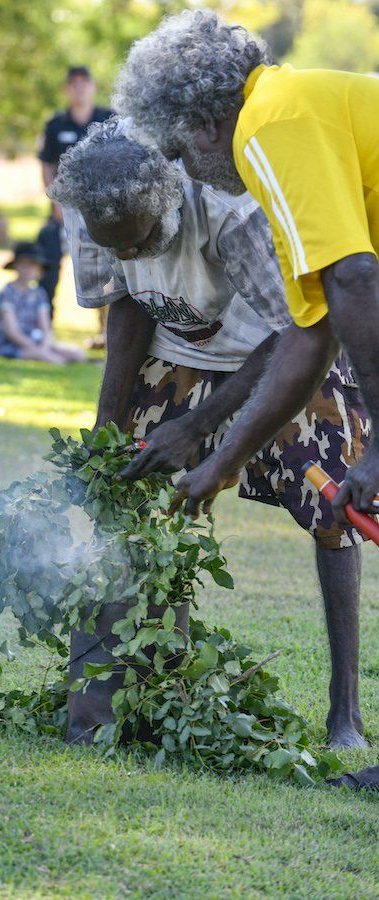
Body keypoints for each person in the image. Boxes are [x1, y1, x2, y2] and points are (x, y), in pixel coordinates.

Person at [114, 9, 379, 790]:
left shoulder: (271, 123)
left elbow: (358, 280)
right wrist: (220, 464)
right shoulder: (283, 114)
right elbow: (310, 335)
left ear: (200, 123)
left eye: (178, 153)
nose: (190, 172)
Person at [49, 117, 369, 750]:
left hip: (282, 352)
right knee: (127, 504)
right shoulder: (90, 207)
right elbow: (126, 301)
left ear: (167, 203)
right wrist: (109, 421)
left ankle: (346, 717)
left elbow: (295, 332)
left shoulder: (227, 206)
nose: (129, 256)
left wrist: (199, 427)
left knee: (335, 507)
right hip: (179, 350)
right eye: (116, 245)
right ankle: (125, 689)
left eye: (139, 242)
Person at [38, 66, 112, 322]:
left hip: (103, 207)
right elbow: (47, 166)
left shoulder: (109, 119)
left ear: (93, 86)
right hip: (66, 206)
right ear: (67, 88)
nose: (79, 87)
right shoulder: (55, 124)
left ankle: (106, 328)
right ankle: (44, 317)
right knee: (47, 251)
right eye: (74, 83)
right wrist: (55, 202)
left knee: (106, 266)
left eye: (85, 82)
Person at [0, 241, 86, 364]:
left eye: (34, 265)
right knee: (51, 359)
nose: (29, 269)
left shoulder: (39, 294)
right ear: (16, 266)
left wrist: (45, 346)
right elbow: (11, 332)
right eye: (25, 264)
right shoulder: (6, 293)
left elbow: (45, 327)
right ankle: (54, 361)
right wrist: (37, 349)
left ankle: (50, 356)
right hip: (11, 345)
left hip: (36, 342)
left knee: (78, 354)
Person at [36, 203, 66, 316]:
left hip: (55, 266)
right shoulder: (49, 229)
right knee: (47, 290)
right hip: (48, 267)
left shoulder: (63, 227)